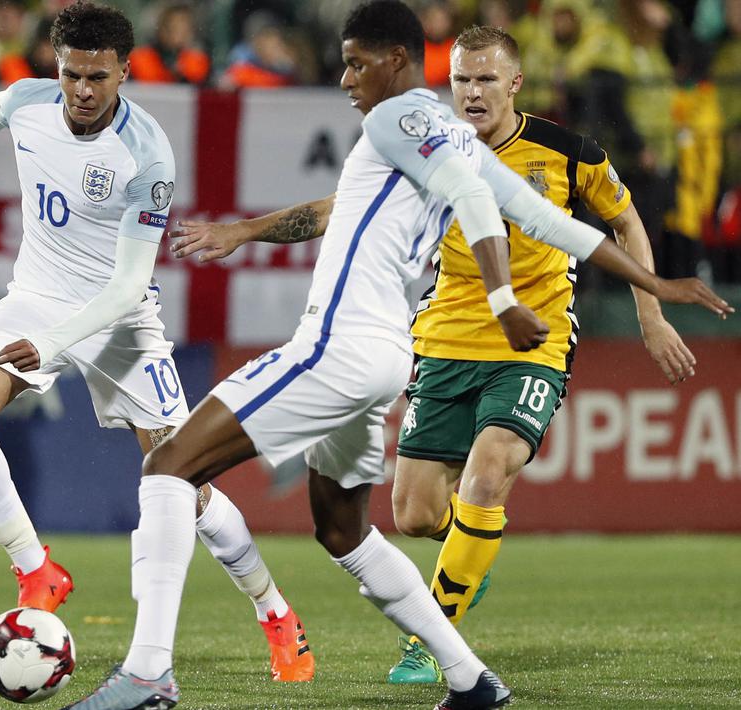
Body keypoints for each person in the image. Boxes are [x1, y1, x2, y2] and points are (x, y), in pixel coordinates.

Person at [62, 1, 731, 708]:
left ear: (397, 63)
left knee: (168, 466)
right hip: (392, 356)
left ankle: (147, 674)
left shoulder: (394, 116)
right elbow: (542, 221)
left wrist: (504, 299)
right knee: (344, 527)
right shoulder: (456, 142)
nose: (345, 77)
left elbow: (481, 202)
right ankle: (470, 679)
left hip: (335, 345)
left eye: (356, 62)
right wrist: (654, 282)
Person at [0, 1, 315, 683]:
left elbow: (129, 286)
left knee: (182, 482)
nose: (80, 91)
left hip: (119, 321)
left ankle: (275, 612)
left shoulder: (146, 154)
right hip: (37, 296)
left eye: (96, 78)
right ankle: (37, 571)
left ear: (123, 73)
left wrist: (51, 343)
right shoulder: (30, 101)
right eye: (71, 74)